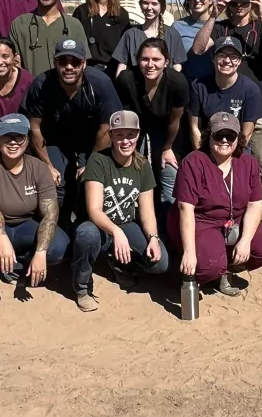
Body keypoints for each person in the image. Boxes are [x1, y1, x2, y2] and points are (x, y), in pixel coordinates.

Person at [192, 0, 262, 213]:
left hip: (253, 106)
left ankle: (261, 215)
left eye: (244, 0)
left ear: (252, 0)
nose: (239, 5)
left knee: (260, 166)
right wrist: (212, 16)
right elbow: (199, 48)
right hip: (220, 107)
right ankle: (221, 207)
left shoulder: (259, 26)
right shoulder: (221, 27)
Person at [0, 113, 69, 321]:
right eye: (7, 137)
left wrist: (40, 252)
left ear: (27, 140)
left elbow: (50, 212)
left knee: (59, 245)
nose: (13, 142)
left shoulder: (39, 168)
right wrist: (2, 238)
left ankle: (13, 266)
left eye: (19, 137)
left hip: (24, 225)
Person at [171, 112, 262, 296]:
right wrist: (190, 252)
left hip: (234, 220)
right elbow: (186, 208)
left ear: (238, 139)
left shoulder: (249, 163)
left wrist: (245, 241)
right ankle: (193, 267)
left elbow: (255, 204)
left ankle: (225, 268)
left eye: (230, 136)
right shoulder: (193, 162)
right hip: (202, 221)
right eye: (218, 135)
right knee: (208, 268)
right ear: (209, 137)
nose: (224, 140)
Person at [71, 111, 168, 312]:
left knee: (160, 263)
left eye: (130, 135)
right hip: (98, 225)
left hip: (126, 223)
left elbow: (147, 210)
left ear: (138, 135)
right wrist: (117, 232)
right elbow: (94, 210)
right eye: (120, 135)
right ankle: (82, 287)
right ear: (112, 136)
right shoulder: (98, 161)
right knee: (86, 235)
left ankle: (121, 264)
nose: (126, 141)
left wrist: (153, 237)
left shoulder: (143, 165)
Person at [24, 38, 120, 225]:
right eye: (63, 61)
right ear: (55, 63)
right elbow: (34, 127)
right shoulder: (42, 84)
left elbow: (106, 128)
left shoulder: (100, 83)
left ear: (84, 63)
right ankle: (57, 229)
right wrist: (48, 165)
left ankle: (86, 229)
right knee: (56, 184)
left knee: (88, 181)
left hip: (90, 140)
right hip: (54, 139)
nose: (69, 67)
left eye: (75, 62)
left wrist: (92, 163)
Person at [114, 38, 188, 226]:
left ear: (166, 62)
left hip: (167, 127)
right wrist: (129, 150)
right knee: (131, 165)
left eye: (156, 59)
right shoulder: (127, 79)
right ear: (138, 60)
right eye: (145, 59)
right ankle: (130, 217)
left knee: (167, 167)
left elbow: (175, 119)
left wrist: (167, 147)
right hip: (135, 123)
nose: (150, 64)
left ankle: (169, 223)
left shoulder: (177, 82)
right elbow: (125, 117)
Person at [9, 0, 90, 76]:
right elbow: (15, 65)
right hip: (31, 90)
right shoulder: (20, 24)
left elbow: (83, 63)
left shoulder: (74, 25)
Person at [187, 37, 262, 150]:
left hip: (237, 149)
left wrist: (227, 159)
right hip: (206, 147)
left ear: (239, 61)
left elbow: (246, 134)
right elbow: (194, 127)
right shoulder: (198, 86)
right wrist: (201, 158)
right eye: (222, 55)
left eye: (233, 57)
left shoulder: (251, 90)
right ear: (213, 58)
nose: (227, 61)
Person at [72, 0, 131, 75]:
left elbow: (125, 47)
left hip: (114, 71)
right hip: (87, 71)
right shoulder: (81, 12)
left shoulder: (121, 14)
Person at [113, 0, 187, 76]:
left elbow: (177, 67)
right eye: (145, 3)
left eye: (154, 4)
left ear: (162, 7)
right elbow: (122, 66)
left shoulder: (172, 35)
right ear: (140, 5)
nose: (149, 7)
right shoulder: (130, 35)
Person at [173, 0, 215, 83]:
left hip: (213, 86)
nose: (197, 0)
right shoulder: (177, 26)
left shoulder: (218, 26)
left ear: (210, 0)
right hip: (187, 83)